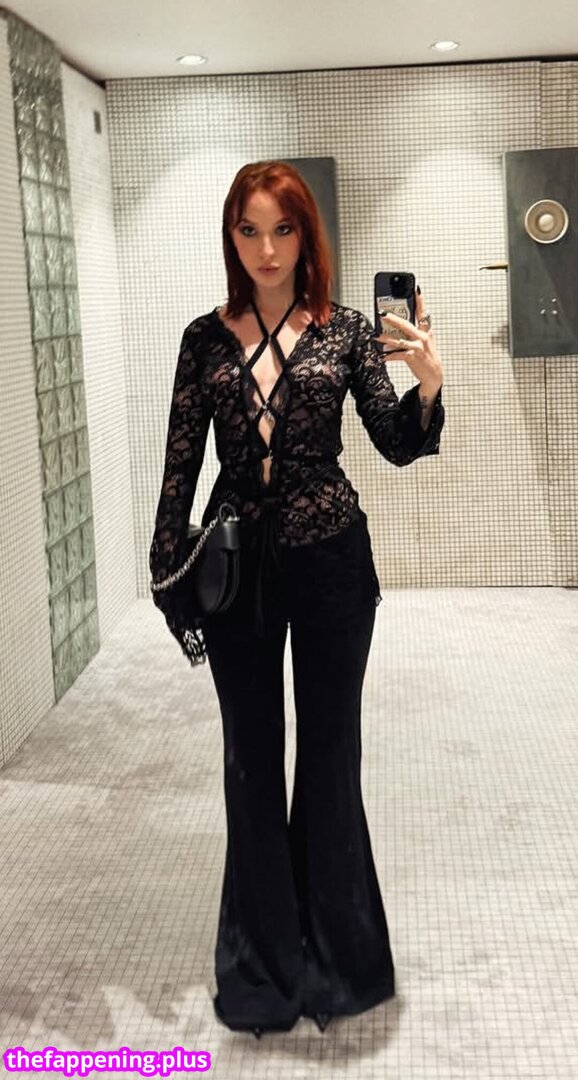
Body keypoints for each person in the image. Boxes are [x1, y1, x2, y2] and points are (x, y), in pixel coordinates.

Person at [149, 160, 445, 1038]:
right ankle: (264, 971)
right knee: (249, 760)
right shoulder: (204, 339)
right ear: (231, 237)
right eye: (249, 230)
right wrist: (169, 568)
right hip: (236, 563)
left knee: (329, 755)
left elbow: (395, 443)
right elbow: (179, 462)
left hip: (330, 560)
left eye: (282, 229)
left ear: (305, 235)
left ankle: (339, 965)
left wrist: (429, 383)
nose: (267, 249)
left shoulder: (346, 329)